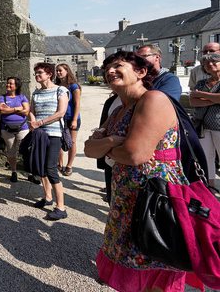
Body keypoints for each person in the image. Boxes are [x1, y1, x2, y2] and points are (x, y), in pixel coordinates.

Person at [84, 51, 197, 291]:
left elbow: (135, 155)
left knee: (157, 258)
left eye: (118, 65)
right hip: (127, 196)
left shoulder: (154, 99)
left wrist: (108, 146)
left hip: (156, 194)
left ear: (141, 72)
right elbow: (89, 150)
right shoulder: (119, 110)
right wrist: (114, 141)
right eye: (106, 69)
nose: (109, 71)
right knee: (133, 260)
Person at [28, 62, 69, 221]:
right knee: (41, 166)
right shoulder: (36, 93)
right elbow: (32, 111)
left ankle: (61, 207)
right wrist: (33, 123)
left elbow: (61, 113)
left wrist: (39, 123)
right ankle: (47, 197)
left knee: (51, 168)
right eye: (36, 73)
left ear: (49, 74)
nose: (37, 75)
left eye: (40, 72)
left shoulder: (61, 90)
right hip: (39, 134)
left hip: (54, 134)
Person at [189, 53, 220, 189]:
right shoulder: (202, 83)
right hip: (203, 126)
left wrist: (201, 95)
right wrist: (214, 99)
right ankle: (210, 188)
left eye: (214, 61)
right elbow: (193, 101)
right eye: (206, 64)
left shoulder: (201, 88)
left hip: (219, 125)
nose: (210, 64)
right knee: (206, 158)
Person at [0, 76, 30, 182]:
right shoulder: (2, 97)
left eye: (11, 83)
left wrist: (10, 109)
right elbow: (2, 110)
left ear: (16, 86)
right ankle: (14, 172)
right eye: (7, 83)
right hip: (7, 129)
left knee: (26, 151)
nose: (8, 85)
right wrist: (17, 108)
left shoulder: (22, 97)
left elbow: (26, 111)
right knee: (11, 151)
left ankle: (30, 173)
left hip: (22, 128)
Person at [55, 63, 81, 176]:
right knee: (59, 140)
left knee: (72, 142)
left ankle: (69, 165)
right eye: (57, 71)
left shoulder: (74, 86)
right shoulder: (56, 86)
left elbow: (77, 103)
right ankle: (59, 163)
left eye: (60, 70)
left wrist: (74, 119)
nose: (58, 72)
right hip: (60, 117)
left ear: (67, 71)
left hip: (71, 117)